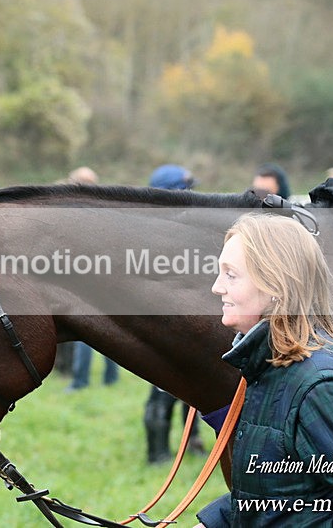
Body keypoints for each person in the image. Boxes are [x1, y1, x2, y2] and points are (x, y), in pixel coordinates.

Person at [195, 213, 333, 527]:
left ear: (275, 284)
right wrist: (214, 522)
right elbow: (279, 492)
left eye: (231, 275)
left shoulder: (324, 388)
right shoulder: (271, 368)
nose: (216, 287)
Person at [144, 164, 205, 463]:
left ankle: (191, 439)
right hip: (164, 324)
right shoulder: (155, 230)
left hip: (190, 320)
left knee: (193, 389)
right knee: (162, 391)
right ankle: (157, 454)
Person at [58, 166, 120, 391]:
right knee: (112, 329)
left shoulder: (74, 210)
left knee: (85, 334)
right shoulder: (105, 207)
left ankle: (80, 381)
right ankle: (111, 378)